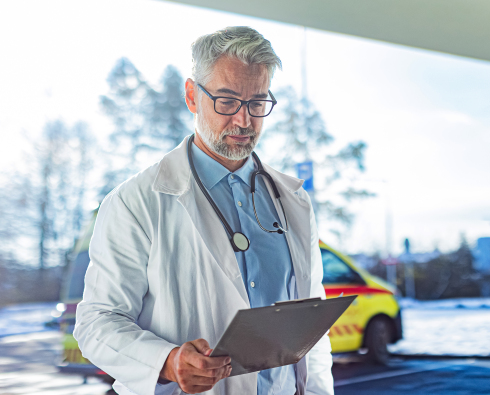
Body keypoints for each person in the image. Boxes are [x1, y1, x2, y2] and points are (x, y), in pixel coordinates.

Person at [73, 27, 334, 395]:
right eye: (227, 101)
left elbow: (311, 325)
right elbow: (97, 322)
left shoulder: (294, 201)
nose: (244, 121)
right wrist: (166, 361)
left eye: (257, 104)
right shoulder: (136, 202)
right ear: (193, 96)